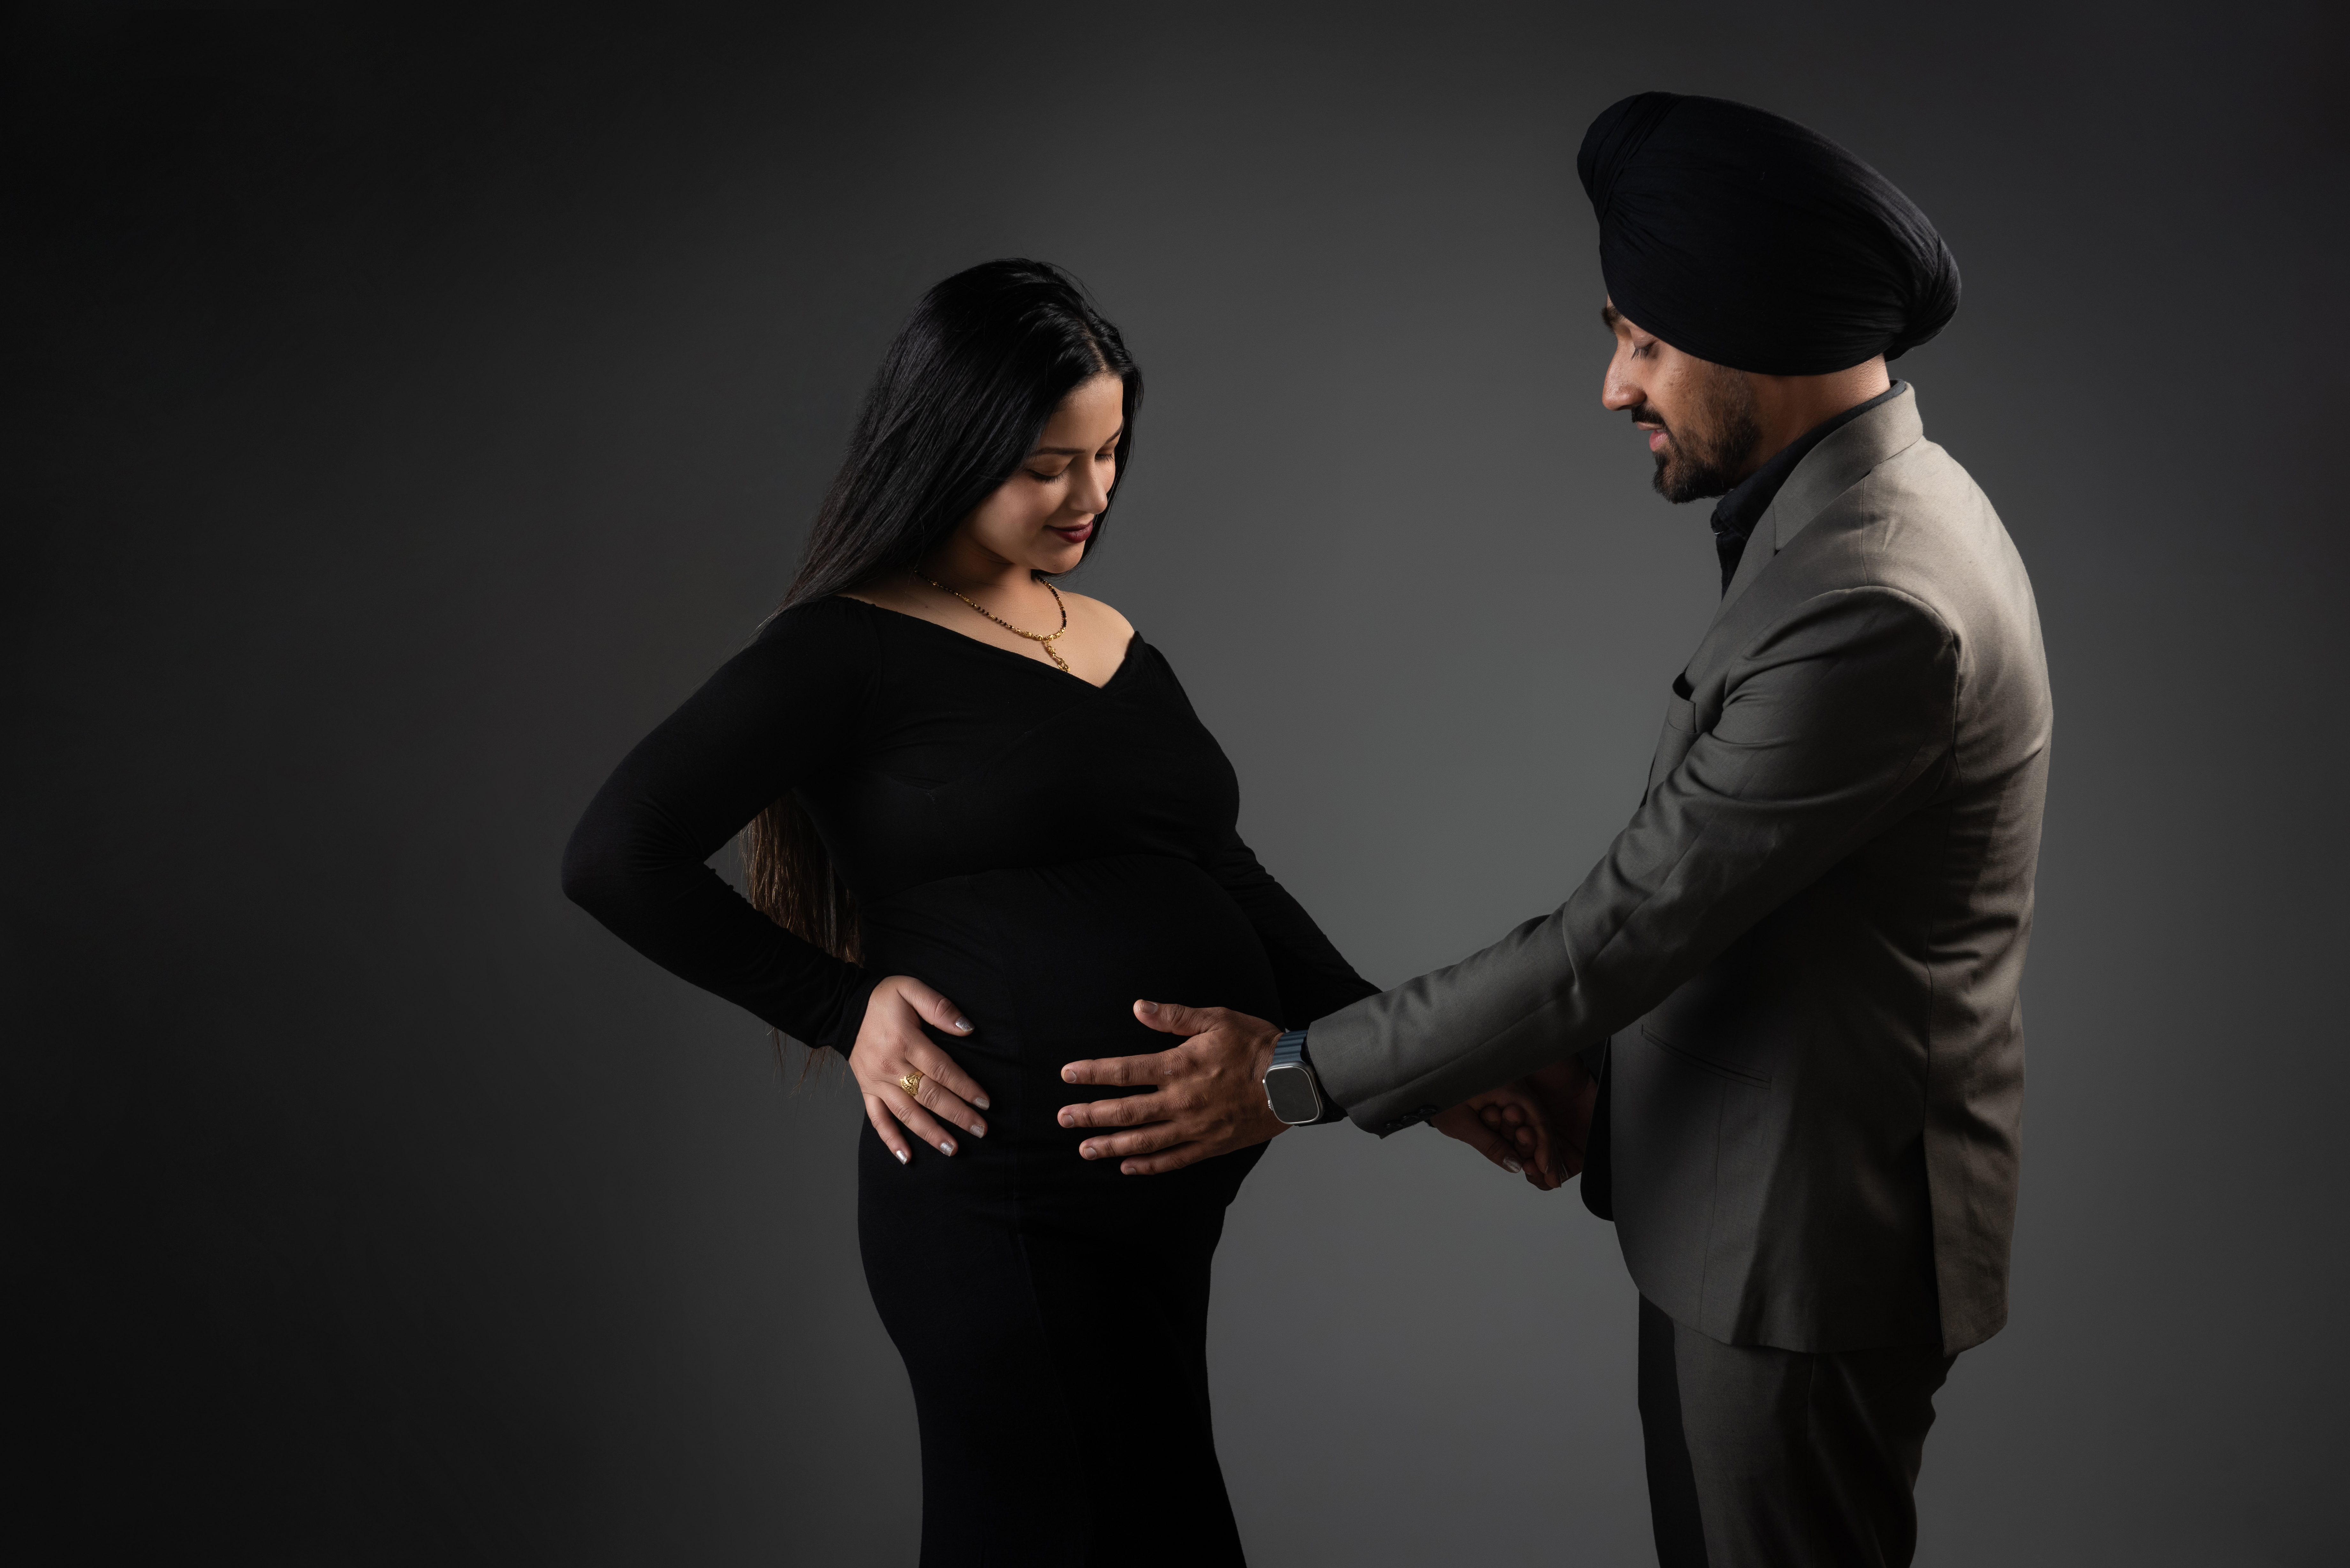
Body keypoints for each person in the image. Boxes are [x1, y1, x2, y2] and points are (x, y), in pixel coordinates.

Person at [1055, 94, 2051, 1567]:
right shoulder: (1878, 513)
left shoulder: (1871, 604)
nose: (1611, 385)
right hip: (1752, 1214)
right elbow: (1754, 920)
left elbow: (1620, 934)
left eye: (1643, 339)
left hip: (1798, 1264)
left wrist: (1287, 1078)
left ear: (1758, 332)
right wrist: (1579, 1088)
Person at [559, 259, 1377, 1567]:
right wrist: (841, 1008)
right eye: (1050, 464)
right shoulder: (846, 648)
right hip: (1000, 1217)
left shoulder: (1109, 641)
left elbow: (1222, 879)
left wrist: (1412, 1060)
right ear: (954, 446)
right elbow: (614, 852)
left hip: (1146, 1231)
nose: (1092, 495)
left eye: (1111, 454)